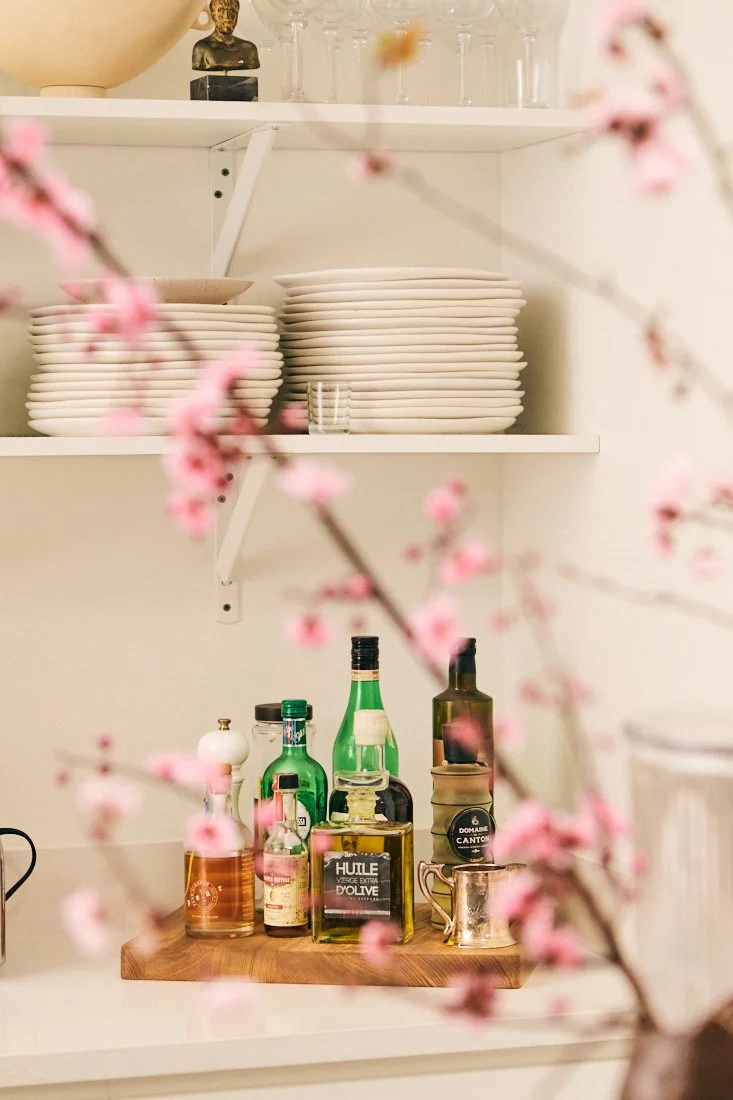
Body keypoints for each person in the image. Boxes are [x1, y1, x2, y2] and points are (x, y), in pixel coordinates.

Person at [192, 0, 260, 72]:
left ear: (237, 15)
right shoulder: (202, 48)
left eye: (232, 11)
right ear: (213, 15)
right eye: (221, 10)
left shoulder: (249, 49)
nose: (227, 17)